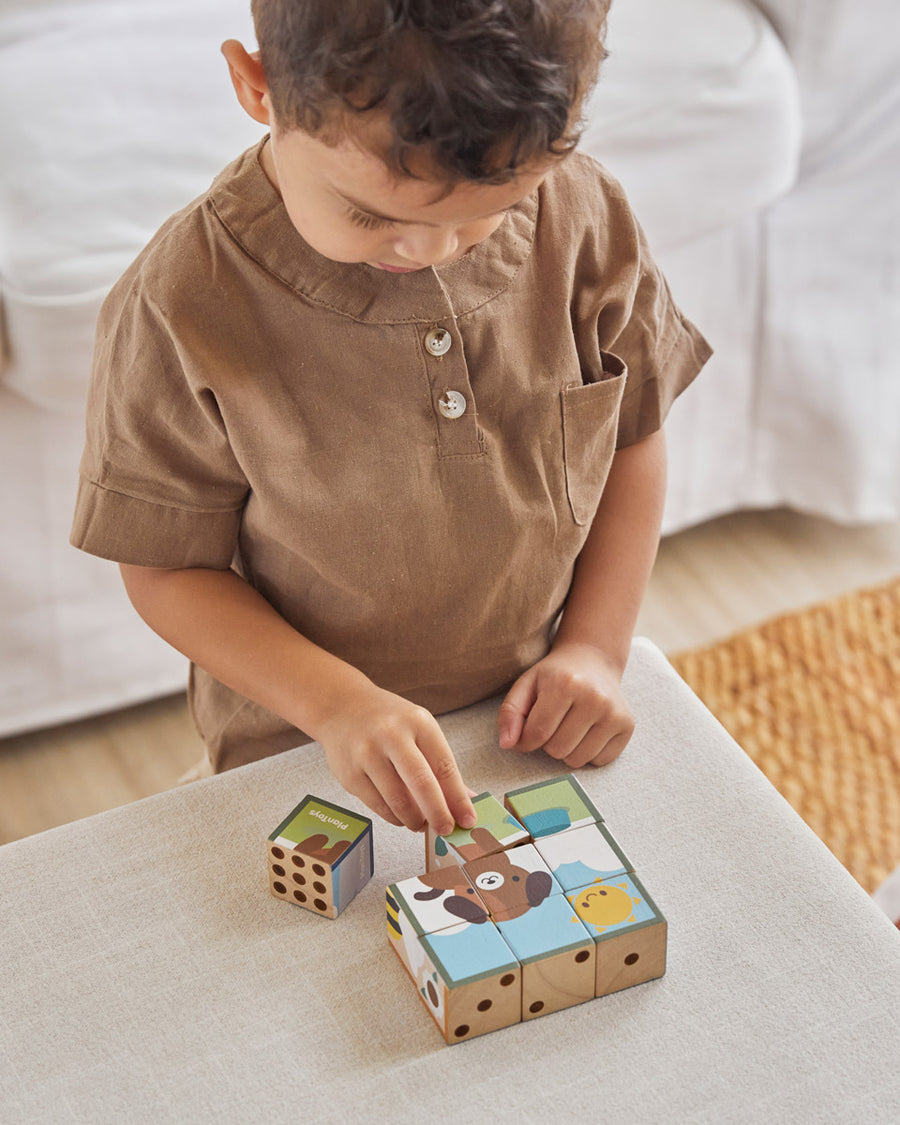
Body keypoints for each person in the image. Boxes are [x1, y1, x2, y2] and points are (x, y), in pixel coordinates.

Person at [71, 0, 711, 840]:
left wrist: (594, 647)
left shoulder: (584, 217)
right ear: (256, 86)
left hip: (525, 719)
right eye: (372, 215)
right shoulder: (183, 303)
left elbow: (633, 434)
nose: (430, 251)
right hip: (296, 740)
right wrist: (338, 707)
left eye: (483, 211)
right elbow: (163, 570)